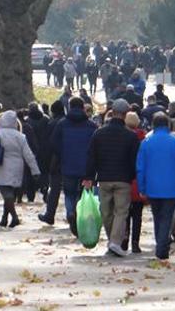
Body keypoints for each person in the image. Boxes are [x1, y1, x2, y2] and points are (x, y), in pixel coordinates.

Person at [83, 99, 140, 257]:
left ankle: (112, 240)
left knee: (106, 212)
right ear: (125, 114)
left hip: (104, 178)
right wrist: (132, 175)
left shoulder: (99, 133)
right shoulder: (131, 136)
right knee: (121, 212)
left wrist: (89, 177)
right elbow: (135, 160)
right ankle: (115, 241)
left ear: (112, 112)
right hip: (123, 179)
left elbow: (91, 157)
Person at [137, 112, 175, 260]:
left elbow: (140, 167)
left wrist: (142, 187)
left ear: (153, 125)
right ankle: (162, 247)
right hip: (172, 187)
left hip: (152, 187)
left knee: (157, 216)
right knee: (167, 217)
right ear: (168, 125)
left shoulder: (146, 143)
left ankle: (160, 244)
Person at [50, 97, 98, 235]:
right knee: (82, 194)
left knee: (69, 192)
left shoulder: (62, 124)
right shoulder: (91, 126)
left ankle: (70, 212)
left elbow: (53, 142)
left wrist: (62, 154)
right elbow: (96, 145)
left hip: (67, 164)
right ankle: (78, 213)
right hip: (86, 166)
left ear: (69, 107)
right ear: (83, 108)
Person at [0, 111, 41, 228]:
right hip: (17, 167)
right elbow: (28, 155)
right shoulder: (20, 136)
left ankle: (14, 217)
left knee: (7, 194)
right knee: (10, 194)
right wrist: (35, 170)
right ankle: (4, 218)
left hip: (2, 167)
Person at [38, 101, 66, 225]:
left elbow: (47, 145)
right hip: (70, 160)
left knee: (54, 189)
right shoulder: (68, 122)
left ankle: (50, 214)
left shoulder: (51, 124)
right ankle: (72, 213)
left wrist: (45, 163)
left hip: (55, 161)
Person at [123, 112, 147, 253]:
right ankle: (136, 243)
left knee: (124, 213)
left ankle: (124, 240)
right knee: (138, 215)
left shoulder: (123, 137)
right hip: (139, 181)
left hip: (125, 180)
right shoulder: (144, 139)